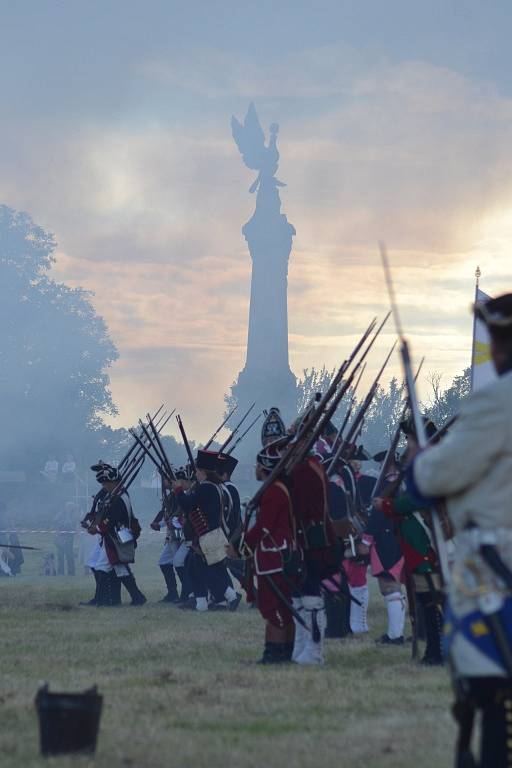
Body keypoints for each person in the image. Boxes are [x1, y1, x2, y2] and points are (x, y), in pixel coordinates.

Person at [408, 293, 512, 768]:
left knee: (491, 691)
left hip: (498, 566)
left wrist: (420, 467)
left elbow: (434, 477)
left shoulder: (497, 401)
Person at [374, 416, 443, 663]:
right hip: (417, 541)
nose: (408, 445)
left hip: (427, 540)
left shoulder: (430, 465)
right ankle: (434, 651)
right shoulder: (425, 463)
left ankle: (438, 652)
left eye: (411, 440)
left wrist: (389, 506)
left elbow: (419, 499)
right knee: (425, 599)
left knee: (433, 600)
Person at [237, 445, 296, 664]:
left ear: (263, 467)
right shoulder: (276, 488)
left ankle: (274, 655)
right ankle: (282, 652)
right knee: (279, 606)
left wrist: (242, 548)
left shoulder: (273, 491)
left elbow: (264, 527)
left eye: (257, 465)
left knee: (273, 607)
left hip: (273, 555)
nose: (255, 468)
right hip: (275, 552)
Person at [173, 450, 240, 612]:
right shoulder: (212, 486)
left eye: (197, 470)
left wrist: (178, 490)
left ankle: (230, 595)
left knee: (204, 570)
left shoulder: (207, 488)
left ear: (202, 472)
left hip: (207, 533)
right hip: (210, 532)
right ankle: (208, 602)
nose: (195, 473)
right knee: (198, 567)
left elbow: (188, 504)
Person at [91, 462, 146, 607]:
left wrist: (97, 528)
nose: (105, 486)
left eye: (107, 483)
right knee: (118, 568)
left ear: (114, 482)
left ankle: (104, 601)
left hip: (116, 537)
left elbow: (111, 520)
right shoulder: (116, 495)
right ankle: (132, 597)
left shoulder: (118, 498)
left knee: (105, 566)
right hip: (116, 537)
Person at [150, 472, 183, 603]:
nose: (163, 483)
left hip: (178, 534)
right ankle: (172, 593)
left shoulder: (179, 496)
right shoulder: (171, 496)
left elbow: (178, 513)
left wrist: (162, 523)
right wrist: (157, 522)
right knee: (164, 562)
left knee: (180, 564)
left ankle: (188, 593)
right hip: (171, 535)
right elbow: (165, 512)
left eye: (164, 480)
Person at [54, 501, 78, 576]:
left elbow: (73, 524)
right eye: (69, 507)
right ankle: (61, 572)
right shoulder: (61, 513)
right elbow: (56, 521)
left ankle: (71, 572)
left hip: (69, 537)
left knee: (69, 554)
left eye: (71, 507)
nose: (70, 508)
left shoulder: (74, 514)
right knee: (60, 555)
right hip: (61, 537)